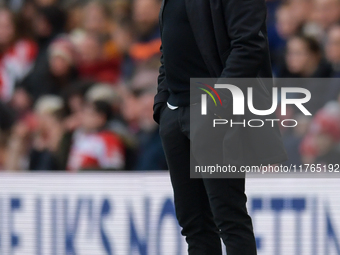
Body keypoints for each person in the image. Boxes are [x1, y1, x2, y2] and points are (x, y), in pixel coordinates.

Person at [153, 0, 287, 255]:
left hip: (214, 113)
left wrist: (215, 104)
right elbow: (167, 49)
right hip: (176, 112)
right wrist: (163, 103)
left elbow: (249, 46)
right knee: (194, 225)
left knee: (229, 219)